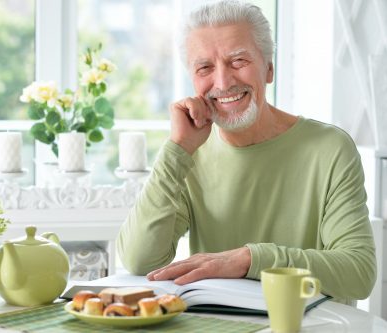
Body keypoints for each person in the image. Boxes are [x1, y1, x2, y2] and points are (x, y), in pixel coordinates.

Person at [116, 0, 376, 305]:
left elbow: (359, 274)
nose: (223, 82)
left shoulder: (330, 149)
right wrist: (177, 150)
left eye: (238, 61)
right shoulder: (190, 155)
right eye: (205, 68)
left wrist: (250, 260)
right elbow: (139, 260)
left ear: (269, 69)